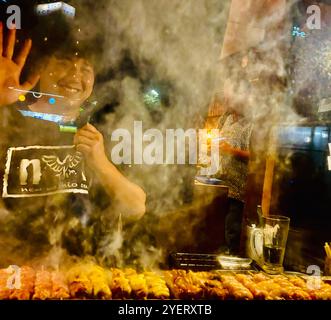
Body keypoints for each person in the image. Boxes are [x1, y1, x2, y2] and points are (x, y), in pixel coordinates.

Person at [0, 24, 146, 265]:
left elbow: (136, 207)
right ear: (41, 67)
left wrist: (101, 163)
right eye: (64, 62)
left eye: (86, 68)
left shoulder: (101, 133)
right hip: (13, 276)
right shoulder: (9, 121)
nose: (76, 75)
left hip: (81, 277)